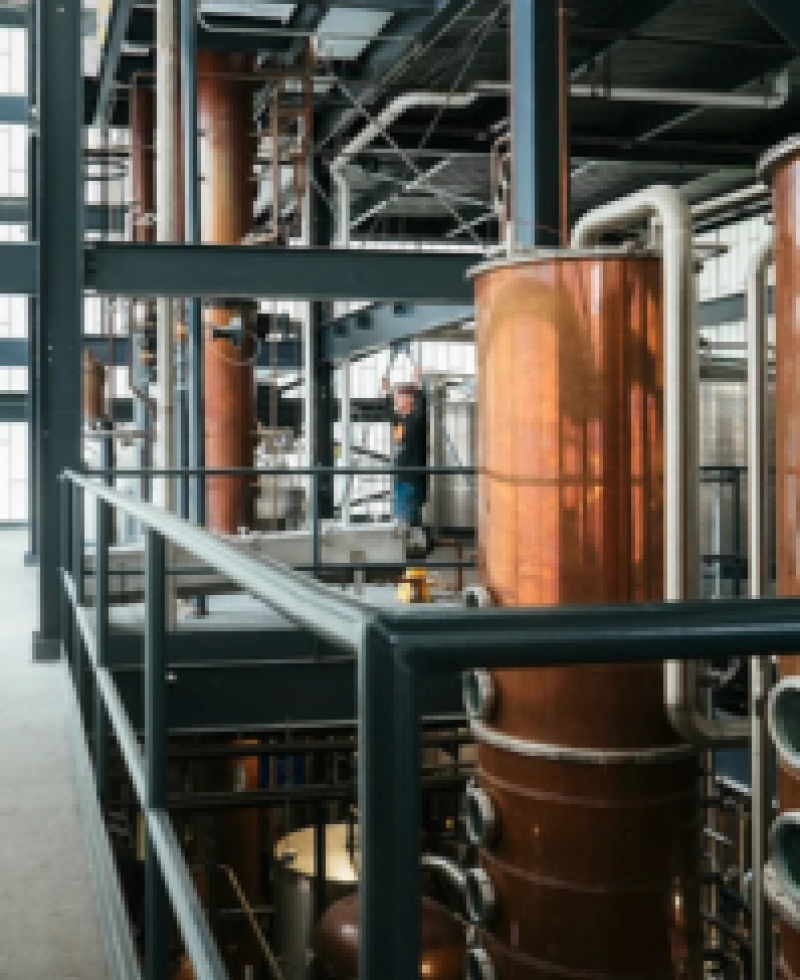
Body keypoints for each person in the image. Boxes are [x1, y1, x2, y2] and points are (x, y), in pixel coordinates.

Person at [382, 368, 428, 526]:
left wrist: (419, 385)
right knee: (405, 516)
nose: (396, 400)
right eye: (396, 397)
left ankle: (411, 538)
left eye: (399, 397)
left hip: (411, 479)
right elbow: (389, 413)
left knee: (406, 519)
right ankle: (411, 536)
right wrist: (387, 393)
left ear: (410, 400)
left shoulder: (416, 420)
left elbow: (422, 408)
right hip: (401, 476)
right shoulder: (401, 421)